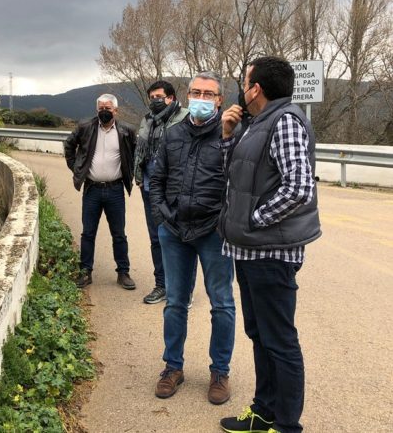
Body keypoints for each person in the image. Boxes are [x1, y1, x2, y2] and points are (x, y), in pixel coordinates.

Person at [219, 57, 321, 433]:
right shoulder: (255, 124)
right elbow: (238, 178)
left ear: (255, 88)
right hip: (248, 251)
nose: (242, 89)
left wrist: (253, 221)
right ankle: (263, 414)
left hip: (270, 253)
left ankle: (287, 425)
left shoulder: (285, 121)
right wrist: (229, 135)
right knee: (260, 335)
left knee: (280, 340)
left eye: (245, 82)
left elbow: (299, 188)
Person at [149, 71, 236, 405]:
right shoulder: (172, 136)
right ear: (187, 96)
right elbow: (156, 179)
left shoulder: (230, 136)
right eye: (195, 92)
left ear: (219, 100)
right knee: (175, 303)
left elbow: (238, 184)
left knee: (222, 304)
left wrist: (222, 221)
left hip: (213, 233)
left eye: (208, 94)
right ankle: (173, 367)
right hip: (174, 231)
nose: (201, 98)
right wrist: (162, 216)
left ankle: (220, 372)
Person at [64, 93, 137, 290]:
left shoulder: (126, 131)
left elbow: (134, 154)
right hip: (92, 190)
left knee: (119, 234)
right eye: (101, 108)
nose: (105, 111)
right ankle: (85, 272)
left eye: (108, 108)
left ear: (116, 110)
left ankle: (123, 272)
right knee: (88, 233)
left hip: (115, 190)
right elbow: (69, 145)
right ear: (97, 110)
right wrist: (76, 168)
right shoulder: (85, 127)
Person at [133, 81, 189, 305]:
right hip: (149, 188)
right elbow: (141, 150)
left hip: (174, 190)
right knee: (156, 238)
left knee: (179, 237)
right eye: (151, 97)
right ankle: (161, 285)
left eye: (159, 96)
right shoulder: (148, 120)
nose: (154, 100)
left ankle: (182, 289)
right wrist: (139, 177)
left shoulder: (185, 118)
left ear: (171, 98)